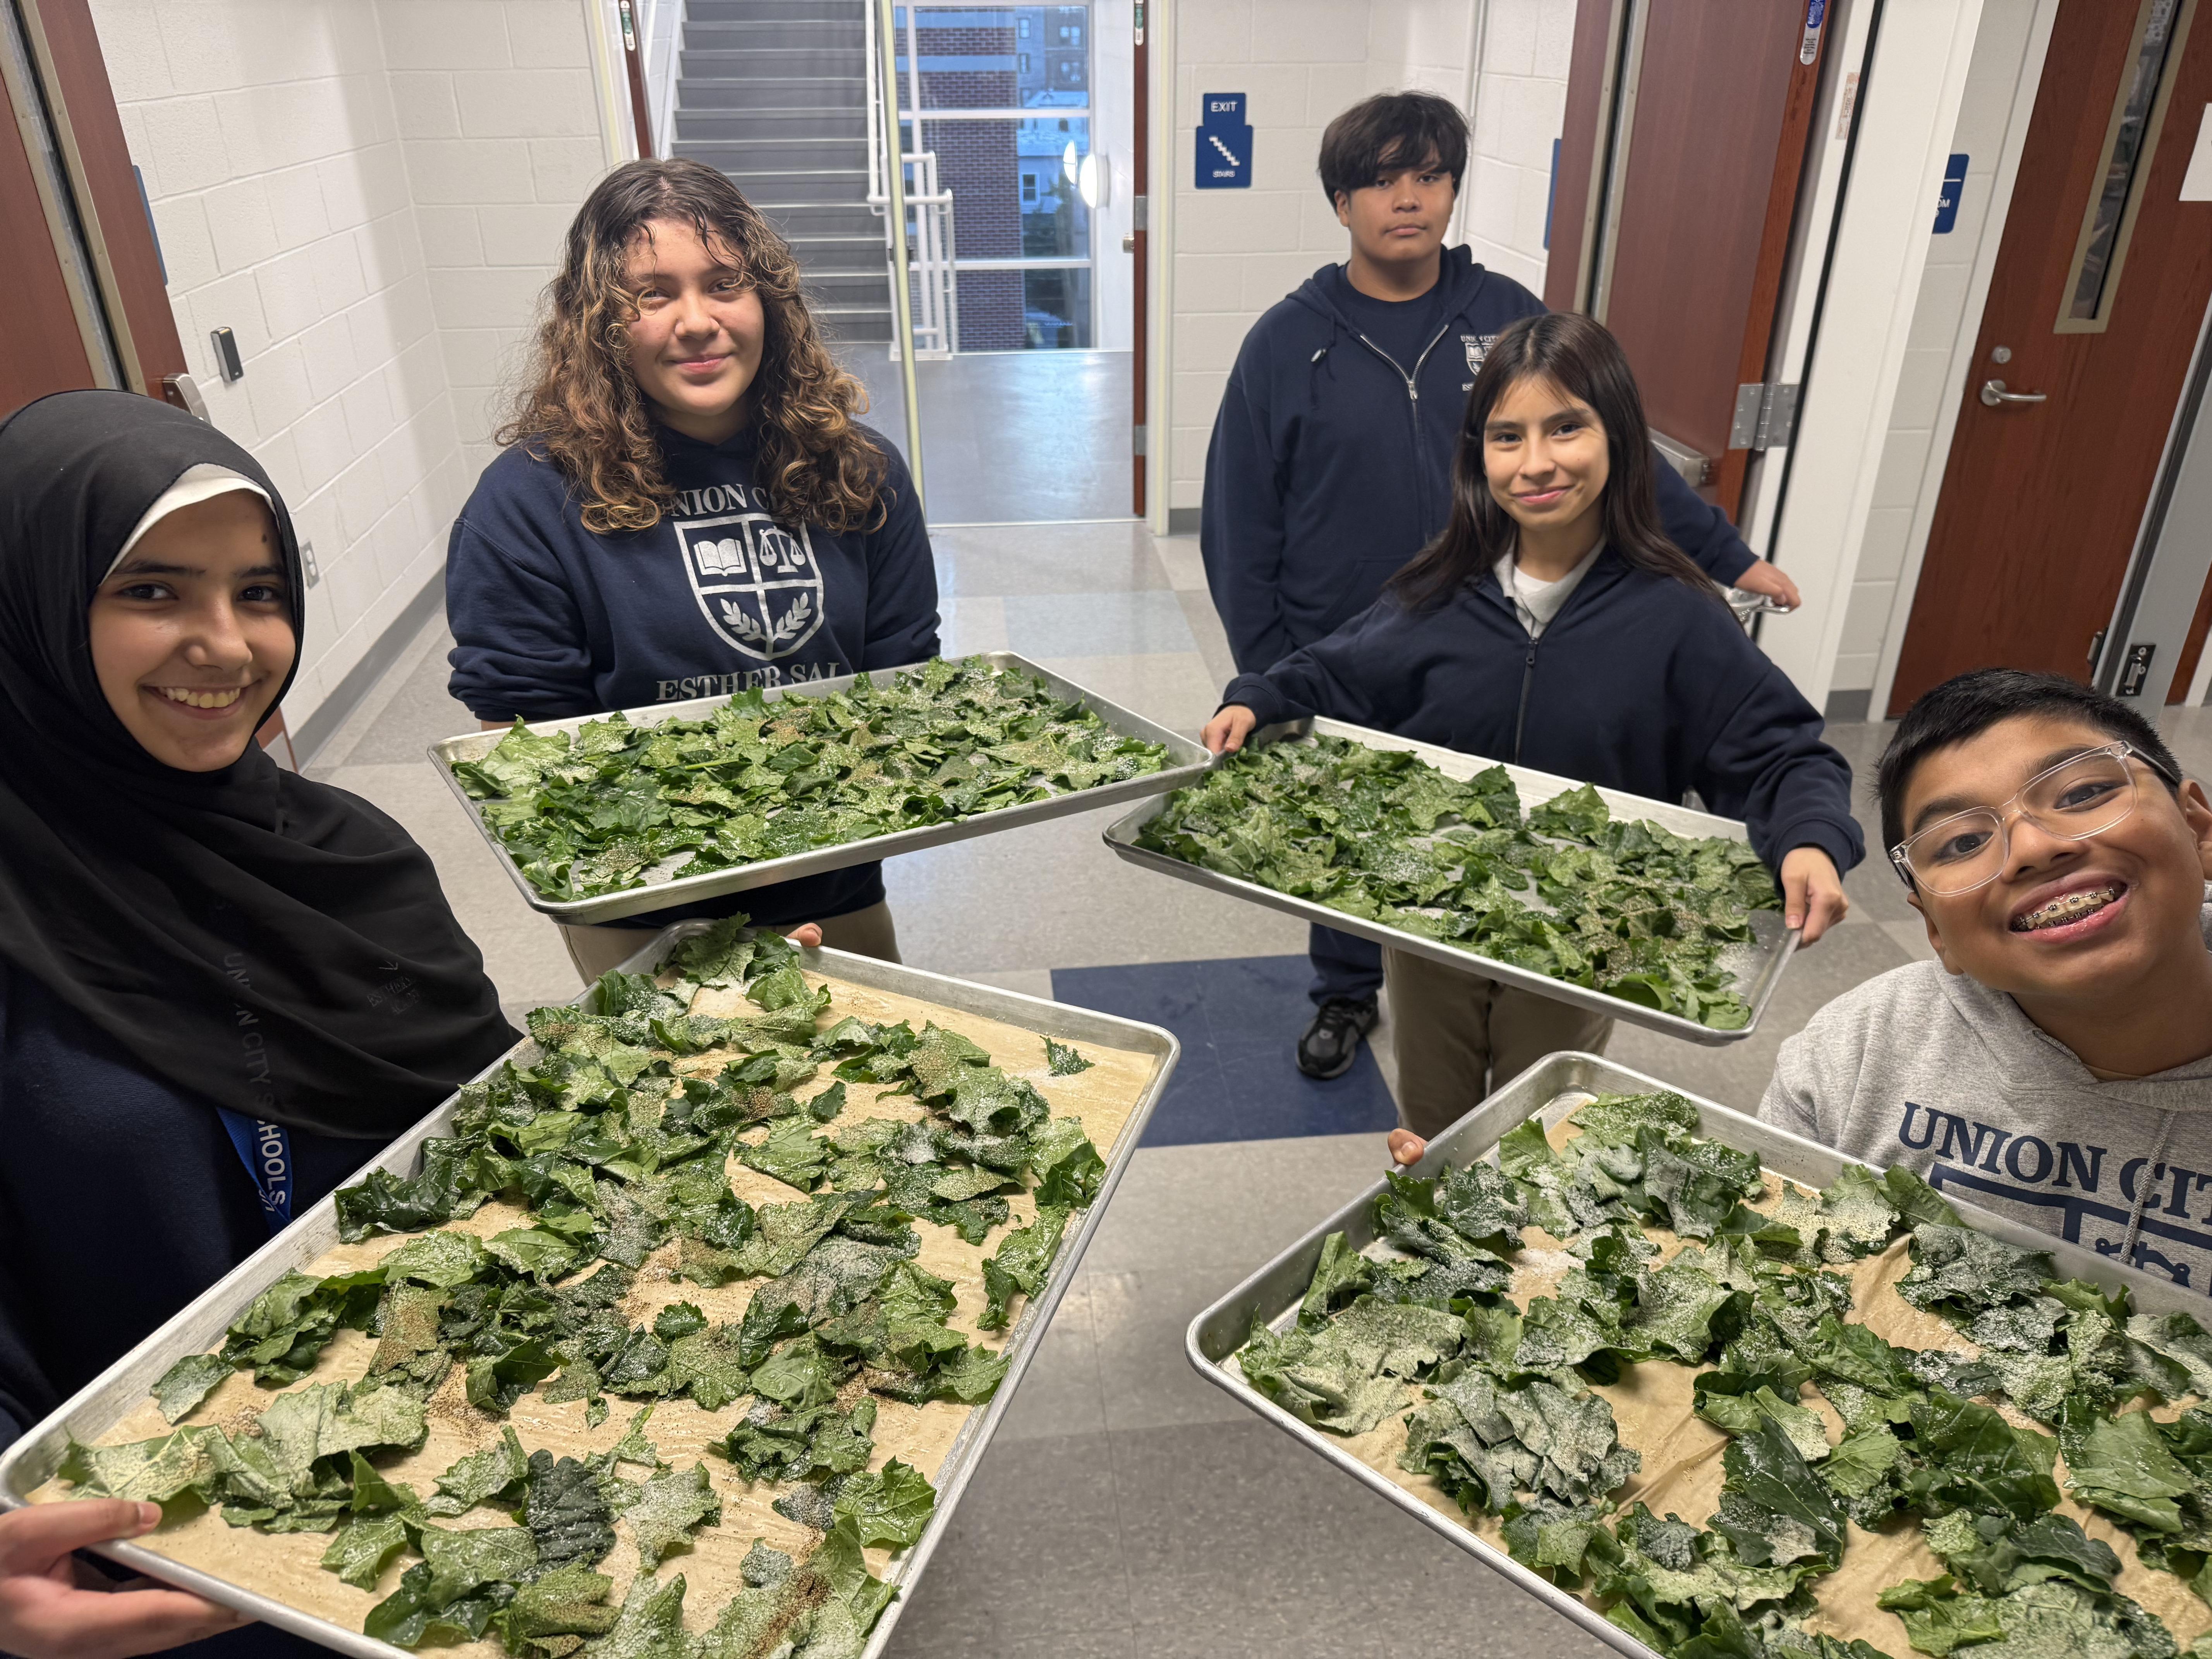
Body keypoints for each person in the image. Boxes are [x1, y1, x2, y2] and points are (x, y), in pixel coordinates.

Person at [0, 390, 521, 1656]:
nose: (227, 645)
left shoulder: (344, 860)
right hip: (156, 1556)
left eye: (261, 591)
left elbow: (487, 1118)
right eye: (156, 592)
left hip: (433, 1468)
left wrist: (694, 1038)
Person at [1201, 90, 1801, 1085]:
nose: (1409, 199)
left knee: (1481, 830)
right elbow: (1240, 518)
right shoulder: (1285, 342)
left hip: (1496, 627)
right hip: (1341, 637)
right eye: (1382, 181)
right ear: (1341, 204)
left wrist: (1730, 557)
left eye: (1429, 177)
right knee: (1359, 844)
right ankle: (1346, 995)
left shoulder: (1508, 318)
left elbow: (1617, 452)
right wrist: (1263, 670)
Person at [1204, 311, 1860, 1147]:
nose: (1537, 462)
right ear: (1479, 453)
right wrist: (1257, 697)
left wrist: (1808, 838)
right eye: (1507, 437)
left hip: (1586, 930)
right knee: (1435, 1122)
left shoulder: (1679, 617)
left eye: (1567, 428)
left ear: (1619, 437)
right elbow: (1334, 672)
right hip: (1432, 918)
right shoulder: (1438, 592)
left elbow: (1780, 753)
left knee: (1536, 1125)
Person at [446, 158, 940, 984]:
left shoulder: (860, 470)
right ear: (597, 322)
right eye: (651, 295)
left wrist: (806, 841)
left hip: (837, 885)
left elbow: (902, 679)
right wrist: (704, 861)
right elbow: (525, 750)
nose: (697, 320)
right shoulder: (529, 502)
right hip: (647, 914)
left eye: (724, 284)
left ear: (768, 304)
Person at [1755, 669, 2212, 1286]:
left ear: (2198, 827)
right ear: (1936, 931)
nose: (2032, 848)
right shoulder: (1852, 1061)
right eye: (1962, 842)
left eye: (2081, 794)